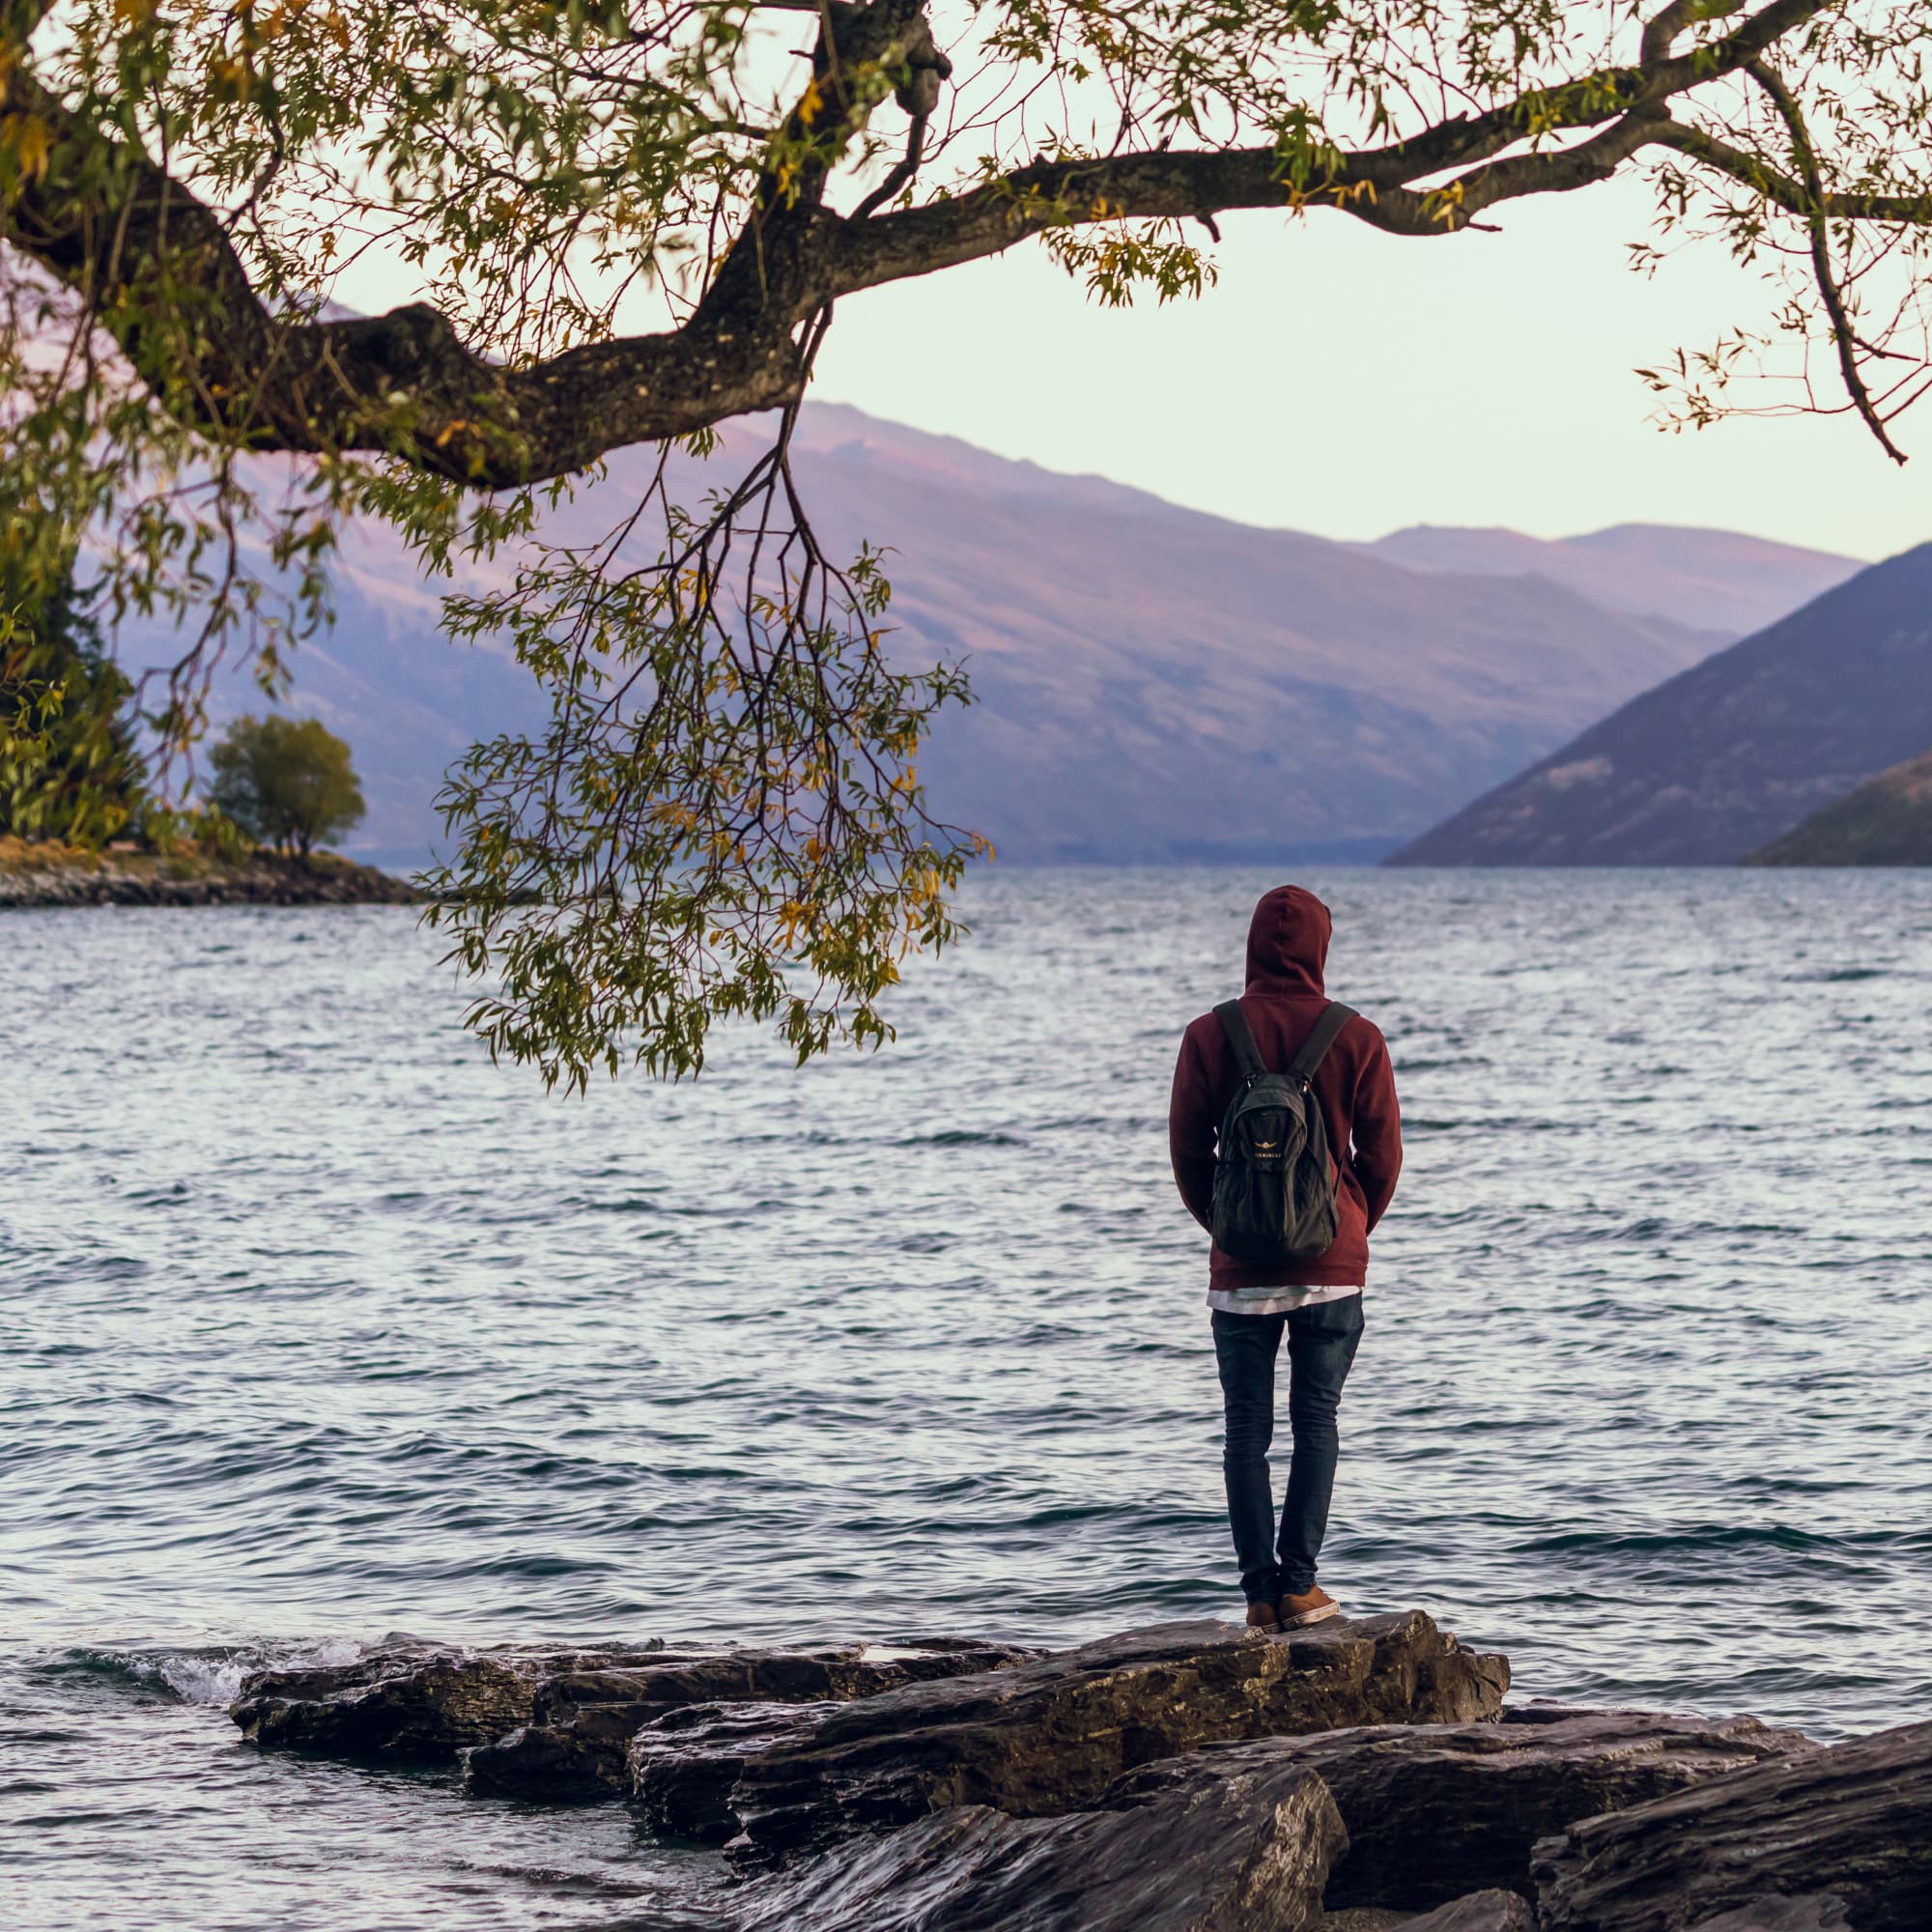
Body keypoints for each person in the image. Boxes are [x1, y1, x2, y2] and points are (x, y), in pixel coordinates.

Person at [1168, 884, 1402, 1632]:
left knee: (1245, 1431)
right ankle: (1301, 1587)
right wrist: (1348, 1224)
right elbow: (1385, 1157)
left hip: (1238, 1271)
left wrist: (1231, 1228)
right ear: (1321, 949)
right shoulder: (1356, 1036)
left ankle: (1258, 1596)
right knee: (1316, 1422)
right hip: (1331, 1265)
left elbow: (1186, 1155)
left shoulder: (1209, 1034)